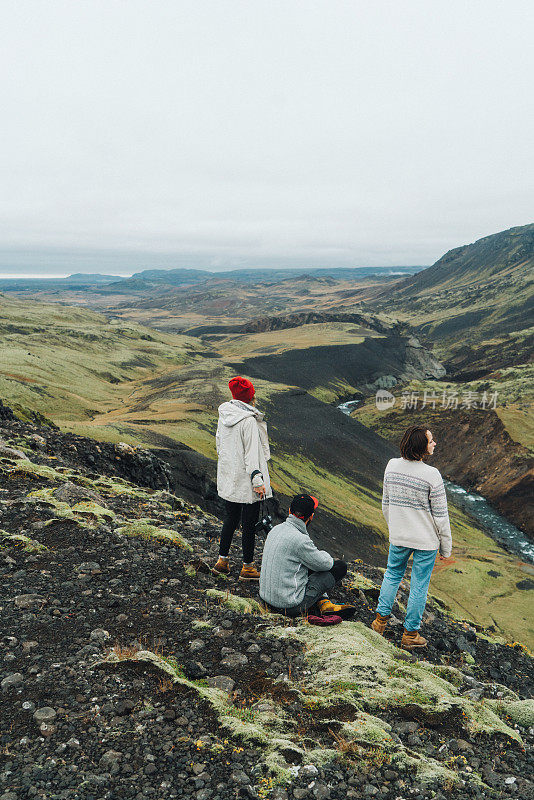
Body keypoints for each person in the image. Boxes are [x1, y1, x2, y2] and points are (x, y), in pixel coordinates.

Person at [371, 425, 452, 649]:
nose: (434, 443)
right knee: (419, 586)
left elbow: (385, 504)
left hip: (399, 536)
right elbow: (441, 516)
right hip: (425, 541)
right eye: (430, 441)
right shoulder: (431, 475)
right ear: (421, 447)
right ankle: (410, 634)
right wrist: (445, 548)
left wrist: (395, 528)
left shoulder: (391, 466)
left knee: (392, 575)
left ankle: (379, 622)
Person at [212, 376, 272, 581]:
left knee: (230, 518)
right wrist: (258, 482)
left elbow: (219, 445)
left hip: (230, 477)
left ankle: (222, 561)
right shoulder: (248, 421)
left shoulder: (225, 415)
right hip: (247, 481)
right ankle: (247, 567)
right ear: (250, 397)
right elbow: (252, 454)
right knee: (249, 523)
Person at [259, 493, 356, 618]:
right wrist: (327, 557)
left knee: (308, 563)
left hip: (266, 598)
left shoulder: (275, 529)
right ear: (311, 517)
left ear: (289, 511)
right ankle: (322, 603)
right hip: (288, 606)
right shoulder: (300, 540)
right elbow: (326, 564)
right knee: (339, 567)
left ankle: (323, 602)